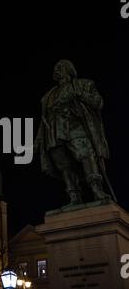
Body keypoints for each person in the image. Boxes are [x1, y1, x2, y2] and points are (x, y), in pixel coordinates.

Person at [34, 59, 111, 206]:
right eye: (55, 68)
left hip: (75, 127)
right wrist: (37, 142)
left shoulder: (84, 84)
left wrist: (80, 94)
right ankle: (74, 196)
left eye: (60, 67)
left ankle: (97, 190)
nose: (56, 70)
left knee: (86, 155)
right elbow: (43, 121)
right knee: (64, 165)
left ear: (69, 70)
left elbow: (98, 103)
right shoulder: (48, 96)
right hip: (54, 133)